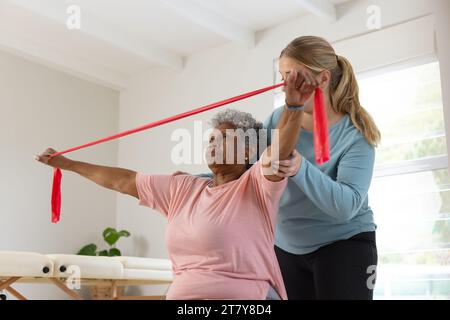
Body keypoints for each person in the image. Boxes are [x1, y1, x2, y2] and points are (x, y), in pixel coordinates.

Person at [35, 69, 320, 300]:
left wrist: (293, 107)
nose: (213, 143)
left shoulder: (256, 185)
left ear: (248, 151)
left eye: (224, 138)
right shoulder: (182, 188)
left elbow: (277, 153)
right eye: (210, 139)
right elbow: (122, 180)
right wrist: (67, 164)